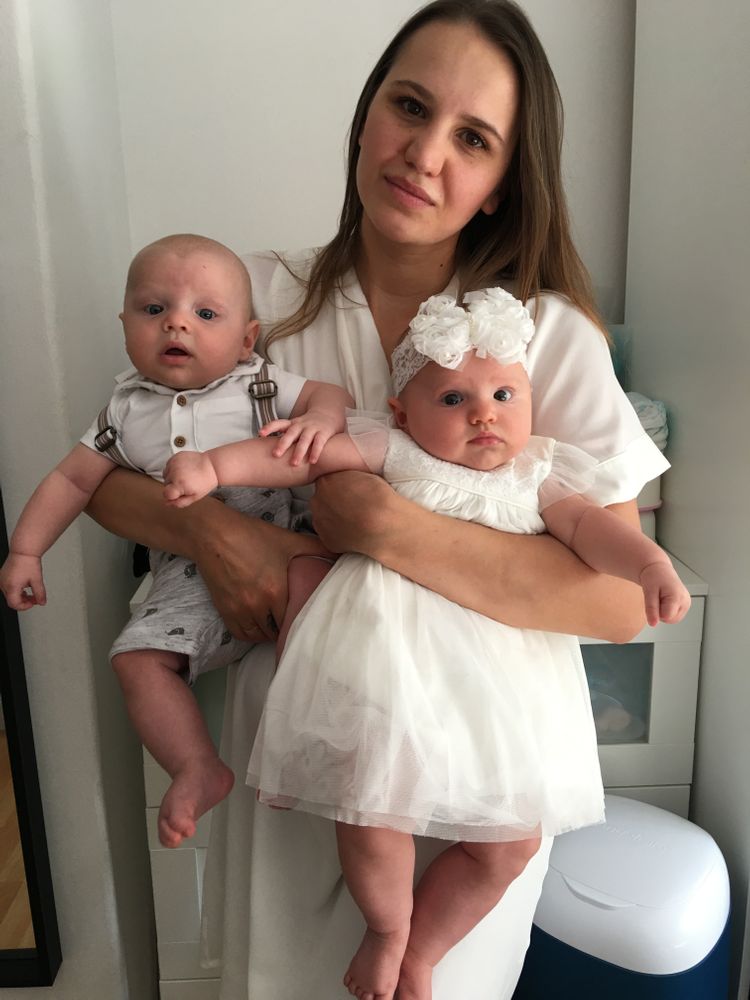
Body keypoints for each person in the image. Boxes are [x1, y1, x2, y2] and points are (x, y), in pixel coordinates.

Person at [86, 2, 671, 997]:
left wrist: (384, 528)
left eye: (473, 139)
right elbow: (106, 475)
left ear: (503, 181)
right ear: (366, 116)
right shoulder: (253, 300)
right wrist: (222, 535)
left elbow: (618, 601)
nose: (425, 154)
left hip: (478, 777)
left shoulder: (540, 336)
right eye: (409, 106)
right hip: (293, 757)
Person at [163, 287, 690, 1000]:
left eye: (504, 394)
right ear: (404, 412)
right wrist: (215, 469)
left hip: (493, 691)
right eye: (453, 398)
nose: (484, 413)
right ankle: (387, 930)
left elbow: (595, 533)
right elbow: (299, 460)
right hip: (388, 665)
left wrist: (650, 565)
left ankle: (425, 950)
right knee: (372, 804)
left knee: (511, 843)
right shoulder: (395, 447)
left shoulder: (540, 473)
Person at [0, 233, 351, 850]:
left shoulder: (258, 383)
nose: (177, 323)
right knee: (134, 661)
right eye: (154, 308)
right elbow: (72, 481)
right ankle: (196, 767)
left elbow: (329, 394)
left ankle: (312, 762)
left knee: (319, 645)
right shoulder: (121, 412)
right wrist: (26, 550)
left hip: (284, 555)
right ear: (125, 325)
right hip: (186, 578)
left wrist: (321, 419)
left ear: (246, 338)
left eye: (205, 313)